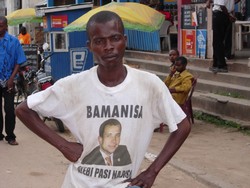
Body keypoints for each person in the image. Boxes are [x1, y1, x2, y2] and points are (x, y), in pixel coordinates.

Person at [15, 11, 191, 188]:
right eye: (99, 41)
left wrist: (152, 171)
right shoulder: (73, 85)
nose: (108, 46)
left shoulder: (149, 85)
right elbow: (23, 109)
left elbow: (182, 125)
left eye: (115, 38)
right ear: (89, 46)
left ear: (125, 40)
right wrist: (63, 145)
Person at [0, 16, 27, 145]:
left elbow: (19, 61)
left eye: (0, 26)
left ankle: (10, 136)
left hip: (9, 80)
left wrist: (11, 78)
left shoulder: (13, 41)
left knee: (10, 109)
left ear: (6, 26)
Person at [207, 0, 236, 73]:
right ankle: (216, 64)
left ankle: (221, 65)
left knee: (217, 42)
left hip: (220, 14)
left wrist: (229, 15)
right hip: (225, 15)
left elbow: (221, 5)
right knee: (218, 41)